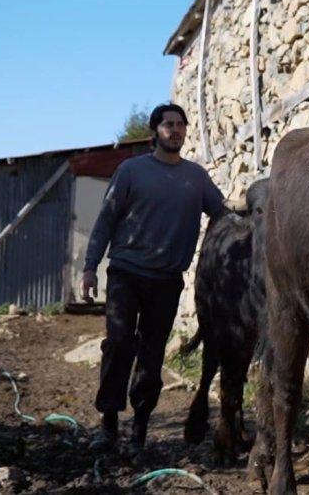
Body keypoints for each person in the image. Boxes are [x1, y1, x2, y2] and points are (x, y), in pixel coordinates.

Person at [82, 103, 226, 453]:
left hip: (166, 280)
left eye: (180, 125)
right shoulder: (131, 171)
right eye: (168, 125)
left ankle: (140, 429)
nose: (175, 130)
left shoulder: (195, 177)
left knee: (152, 354)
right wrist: (90, 266)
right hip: (126, 273)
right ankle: (109, 424)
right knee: (118, 345)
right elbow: (105, 220)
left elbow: (222, 213)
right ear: (154, 132)